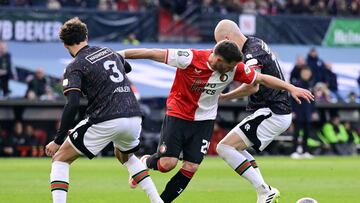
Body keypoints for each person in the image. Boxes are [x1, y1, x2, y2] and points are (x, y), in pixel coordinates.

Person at [118, 40, 313, 203]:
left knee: (191, 167)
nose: (232, 71)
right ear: (218, 59)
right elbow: (152, 53)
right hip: (178, 114)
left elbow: (260, 79)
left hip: (205, 120)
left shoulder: (235, 67)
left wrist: (290, 88)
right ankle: (146, 161)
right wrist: (120, 54)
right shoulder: (190, 58)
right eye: (229, 66)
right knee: (167, 164)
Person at [45, 17, 163, 203]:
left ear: (65, 44)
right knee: (126, 156)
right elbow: (127, 67)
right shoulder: (107, 51)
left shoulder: (75, 66)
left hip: (106, 117)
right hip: (133, 115)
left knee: (60, 158)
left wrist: (58, 140)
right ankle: (158, 201)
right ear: (86, 36)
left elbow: (73, 104)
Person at [213, 19, 313, 203]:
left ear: (227, 38)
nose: (220, 49)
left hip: (272, 112)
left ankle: (265, 191)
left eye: (220, 43)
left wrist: (224, 97)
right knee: (234, 148)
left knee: (224, 147)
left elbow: (252, 87)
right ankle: (265, 192)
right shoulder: (254, 43)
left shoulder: (252, 52)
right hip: (273, 111)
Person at [290, 67, 315, 159]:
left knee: (307, 133)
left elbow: (313, 100)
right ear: (301, 73)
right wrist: (292, 111)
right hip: (298, 112)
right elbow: (291, 99)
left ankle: (305, 151)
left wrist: (313, 111)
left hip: (307, 113)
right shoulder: (296, 84)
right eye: (305, 72)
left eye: (308, 73)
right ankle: (294, 151)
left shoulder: (310, 85)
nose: (306, 74)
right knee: (296, 133)